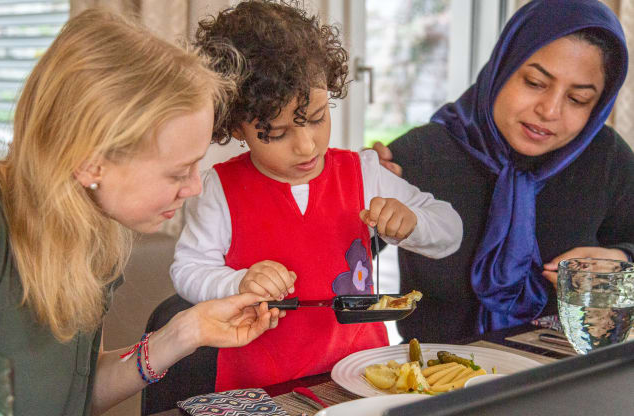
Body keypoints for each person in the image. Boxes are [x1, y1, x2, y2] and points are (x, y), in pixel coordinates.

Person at [0, 9, 284, 416]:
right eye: (178, 173)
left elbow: (70, 396)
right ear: (89, 161)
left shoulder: (93, 228)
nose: (194, 187)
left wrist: (182, 334)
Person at [170, 0, 463, 392]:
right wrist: (237, 283)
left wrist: (413, 223)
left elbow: (450, 229)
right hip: (259, 388)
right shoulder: (217, 189)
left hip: (364, 376)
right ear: (236, 126)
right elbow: (188, 269)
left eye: (318, 117)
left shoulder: (363, 171)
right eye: (277, 132)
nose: (306, 146)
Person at [371, 0, 634, 343]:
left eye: (578, 99)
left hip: (561, 377)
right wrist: (340, 185)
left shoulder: (605, 159)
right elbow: (334, 258)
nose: (549, 110)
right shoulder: (421, 155)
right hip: (433, 383)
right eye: (535, 82)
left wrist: (620, 261)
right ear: (502, 67)